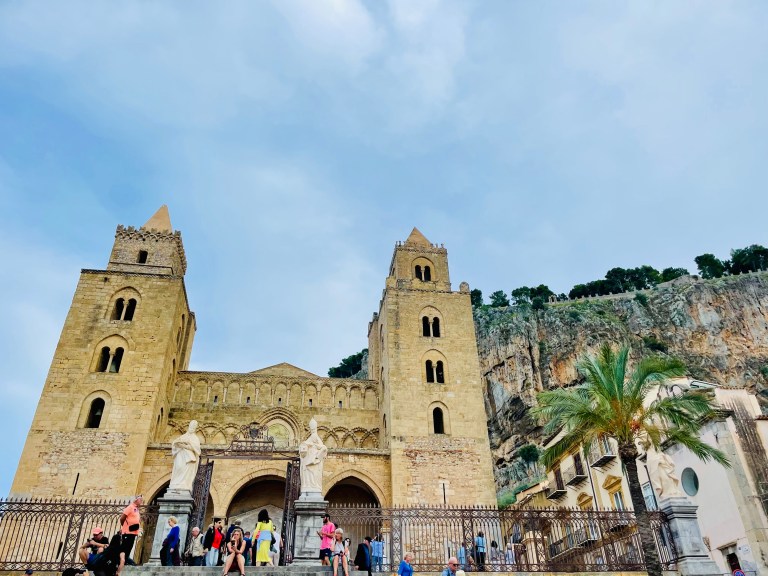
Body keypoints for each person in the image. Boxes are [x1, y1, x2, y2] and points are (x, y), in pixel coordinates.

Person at [118, 496, 142, 574]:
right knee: (125, 547)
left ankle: (125, 562)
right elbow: (122, 518)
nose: (141, 501)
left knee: (129, 547)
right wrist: (124, 527)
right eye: (140, 500)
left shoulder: (136, 509)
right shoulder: (130, 507)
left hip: (133, 532)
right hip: (127, 532)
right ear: (136, 500)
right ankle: (121, 562)